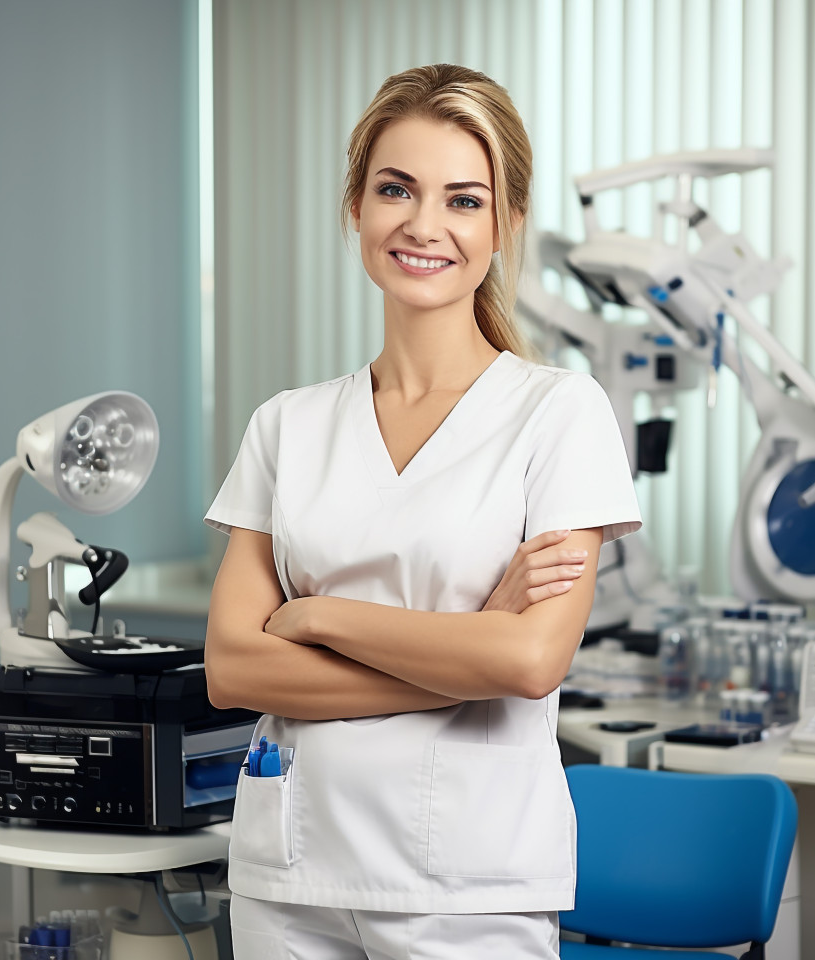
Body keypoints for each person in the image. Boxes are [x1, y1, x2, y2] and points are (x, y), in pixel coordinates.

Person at [204, 63, 641, 960]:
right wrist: (466, 651)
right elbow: (233, 669)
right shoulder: (287, 424)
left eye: (463, 200)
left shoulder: (559, 413)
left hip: (468, 886)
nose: (423, 225)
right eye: (395, 189)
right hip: (289, 877)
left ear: (505, 223)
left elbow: (529, 660)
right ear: (355, 207)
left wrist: (318, 617)